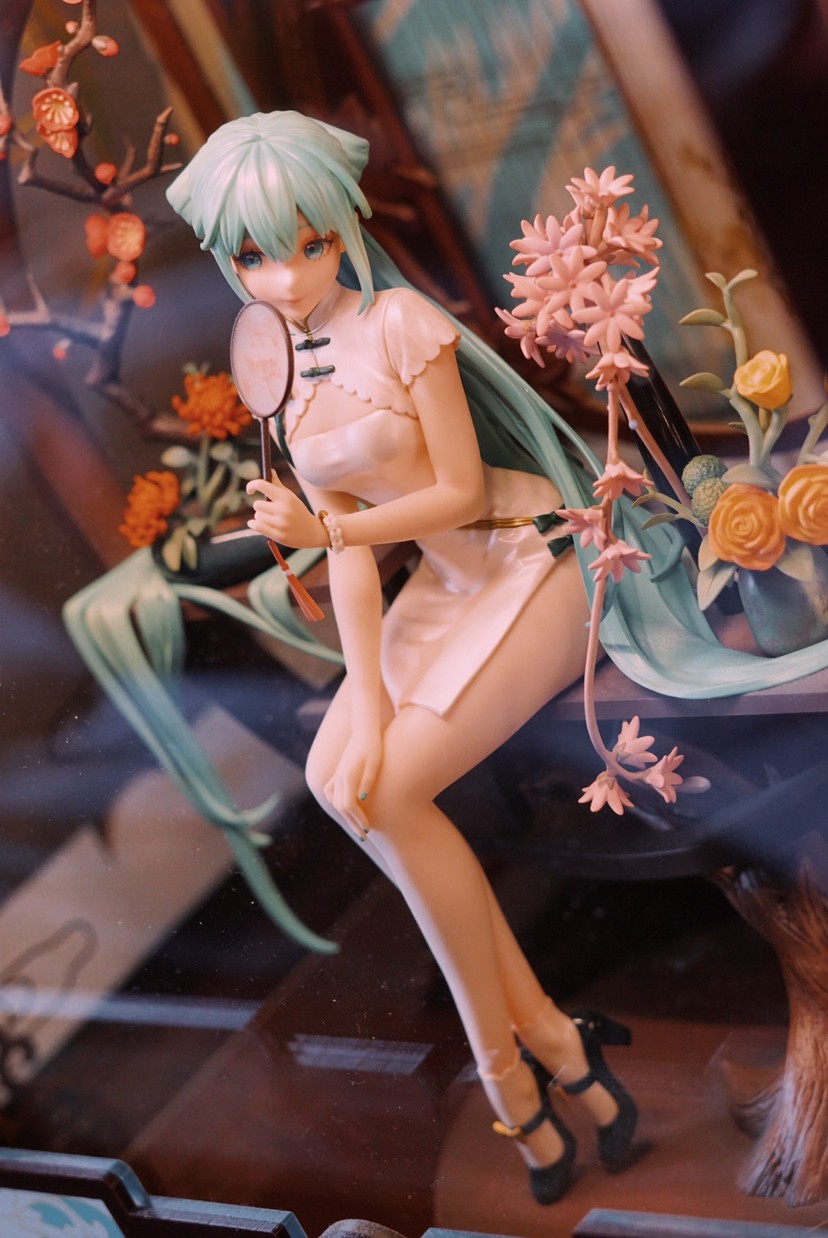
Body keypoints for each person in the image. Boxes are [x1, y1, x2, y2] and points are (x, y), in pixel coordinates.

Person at [166, 109, 828, 1202]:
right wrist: (365, 689)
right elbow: (346, 557)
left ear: (342, 225)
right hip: (442, 581)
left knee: (390, 787)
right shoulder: (278, 372)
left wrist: (326, 533)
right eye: (254, 257)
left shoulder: (401, 324)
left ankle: (515, 1077)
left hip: (539, 556)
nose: (285, 276)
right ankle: (561, 1046)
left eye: (308, 243)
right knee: (341, 781)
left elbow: (459, 491)